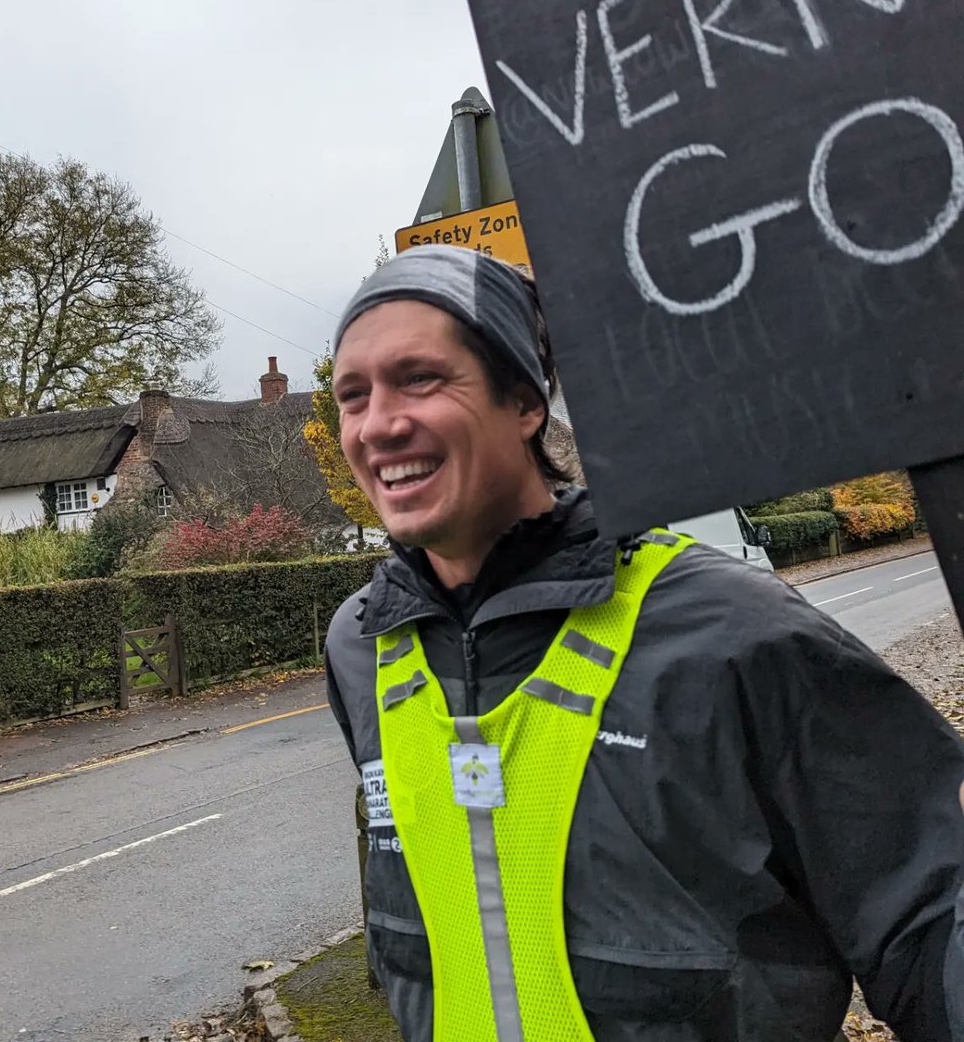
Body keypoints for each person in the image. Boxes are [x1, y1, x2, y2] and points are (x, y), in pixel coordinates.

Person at [323, 246, 964, 1042]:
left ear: (524, 402)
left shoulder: (733, 629)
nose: (378, 424)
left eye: (420, 378)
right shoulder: (360, 643)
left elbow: (929, 915)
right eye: (353, 395)